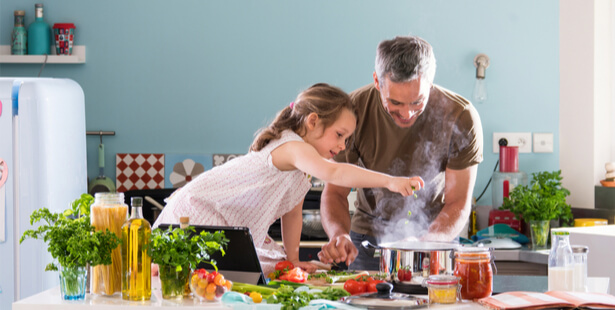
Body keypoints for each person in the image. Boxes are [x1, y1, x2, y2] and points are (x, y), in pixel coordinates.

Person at [153, 83, 424, 276]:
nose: (343, 146)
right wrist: (391, 182)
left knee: (274, 267)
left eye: (347, 139)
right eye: (339, 135)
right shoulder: (293, 147)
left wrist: (293, 259)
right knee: (201, 275)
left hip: (224, 223)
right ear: (313, 121)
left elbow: (292, 214)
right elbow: (335, 173)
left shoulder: (301, 166)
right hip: (199, 211)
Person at [318, 35, 484, 271]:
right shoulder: (353, 111)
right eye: (395, 103)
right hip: (367, 240)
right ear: (377, 81)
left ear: (430, 82)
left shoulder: (461, 115)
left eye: (417, 102)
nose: (406, 114)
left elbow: (458, 202)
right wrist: (338, 235)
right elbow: (335, 191)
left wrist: (425, 244)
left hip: (434, 238)